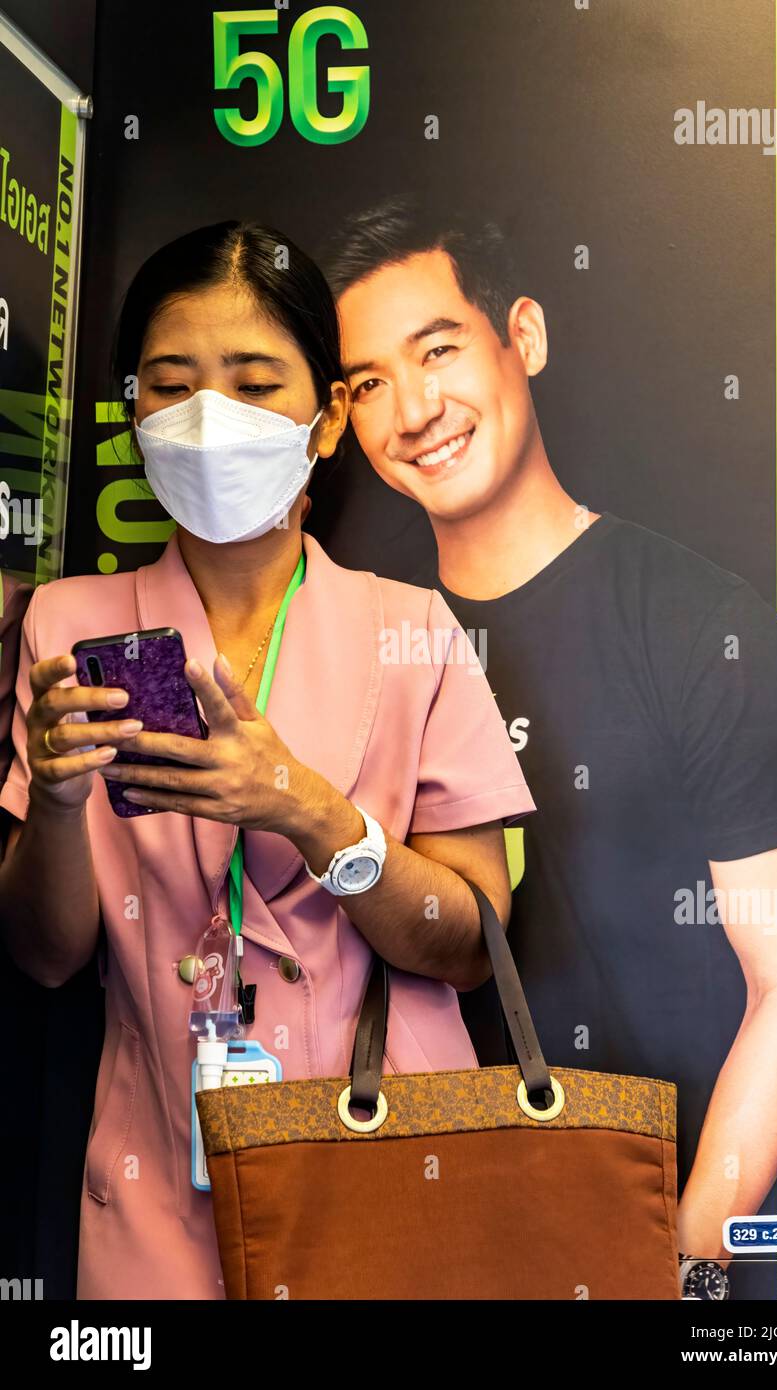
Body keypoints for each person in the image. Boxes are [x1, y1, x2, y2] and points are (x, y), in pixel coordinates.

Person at [0, 220, 536, 1300]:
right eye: (172, 383)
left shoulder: (410, 628)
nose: (210, 420)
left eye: (252, 383)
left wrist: (307, 810)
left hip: (389, 1167)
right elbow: (45, 956)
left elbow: (473, 944)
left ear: (328, 416)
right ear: (135, 412)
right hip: (159, 1195)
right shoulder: (72, 622)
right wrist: (56, 803)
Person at [326, 197, 777, 1300]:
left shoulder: (701, 624)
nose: (413, 409)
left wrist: (684, 1259)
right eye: (367, 383)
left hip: (668, 1248)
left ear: (524, 337)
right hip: (439, 1245)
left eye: (438, 351)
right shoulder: (370, 643)